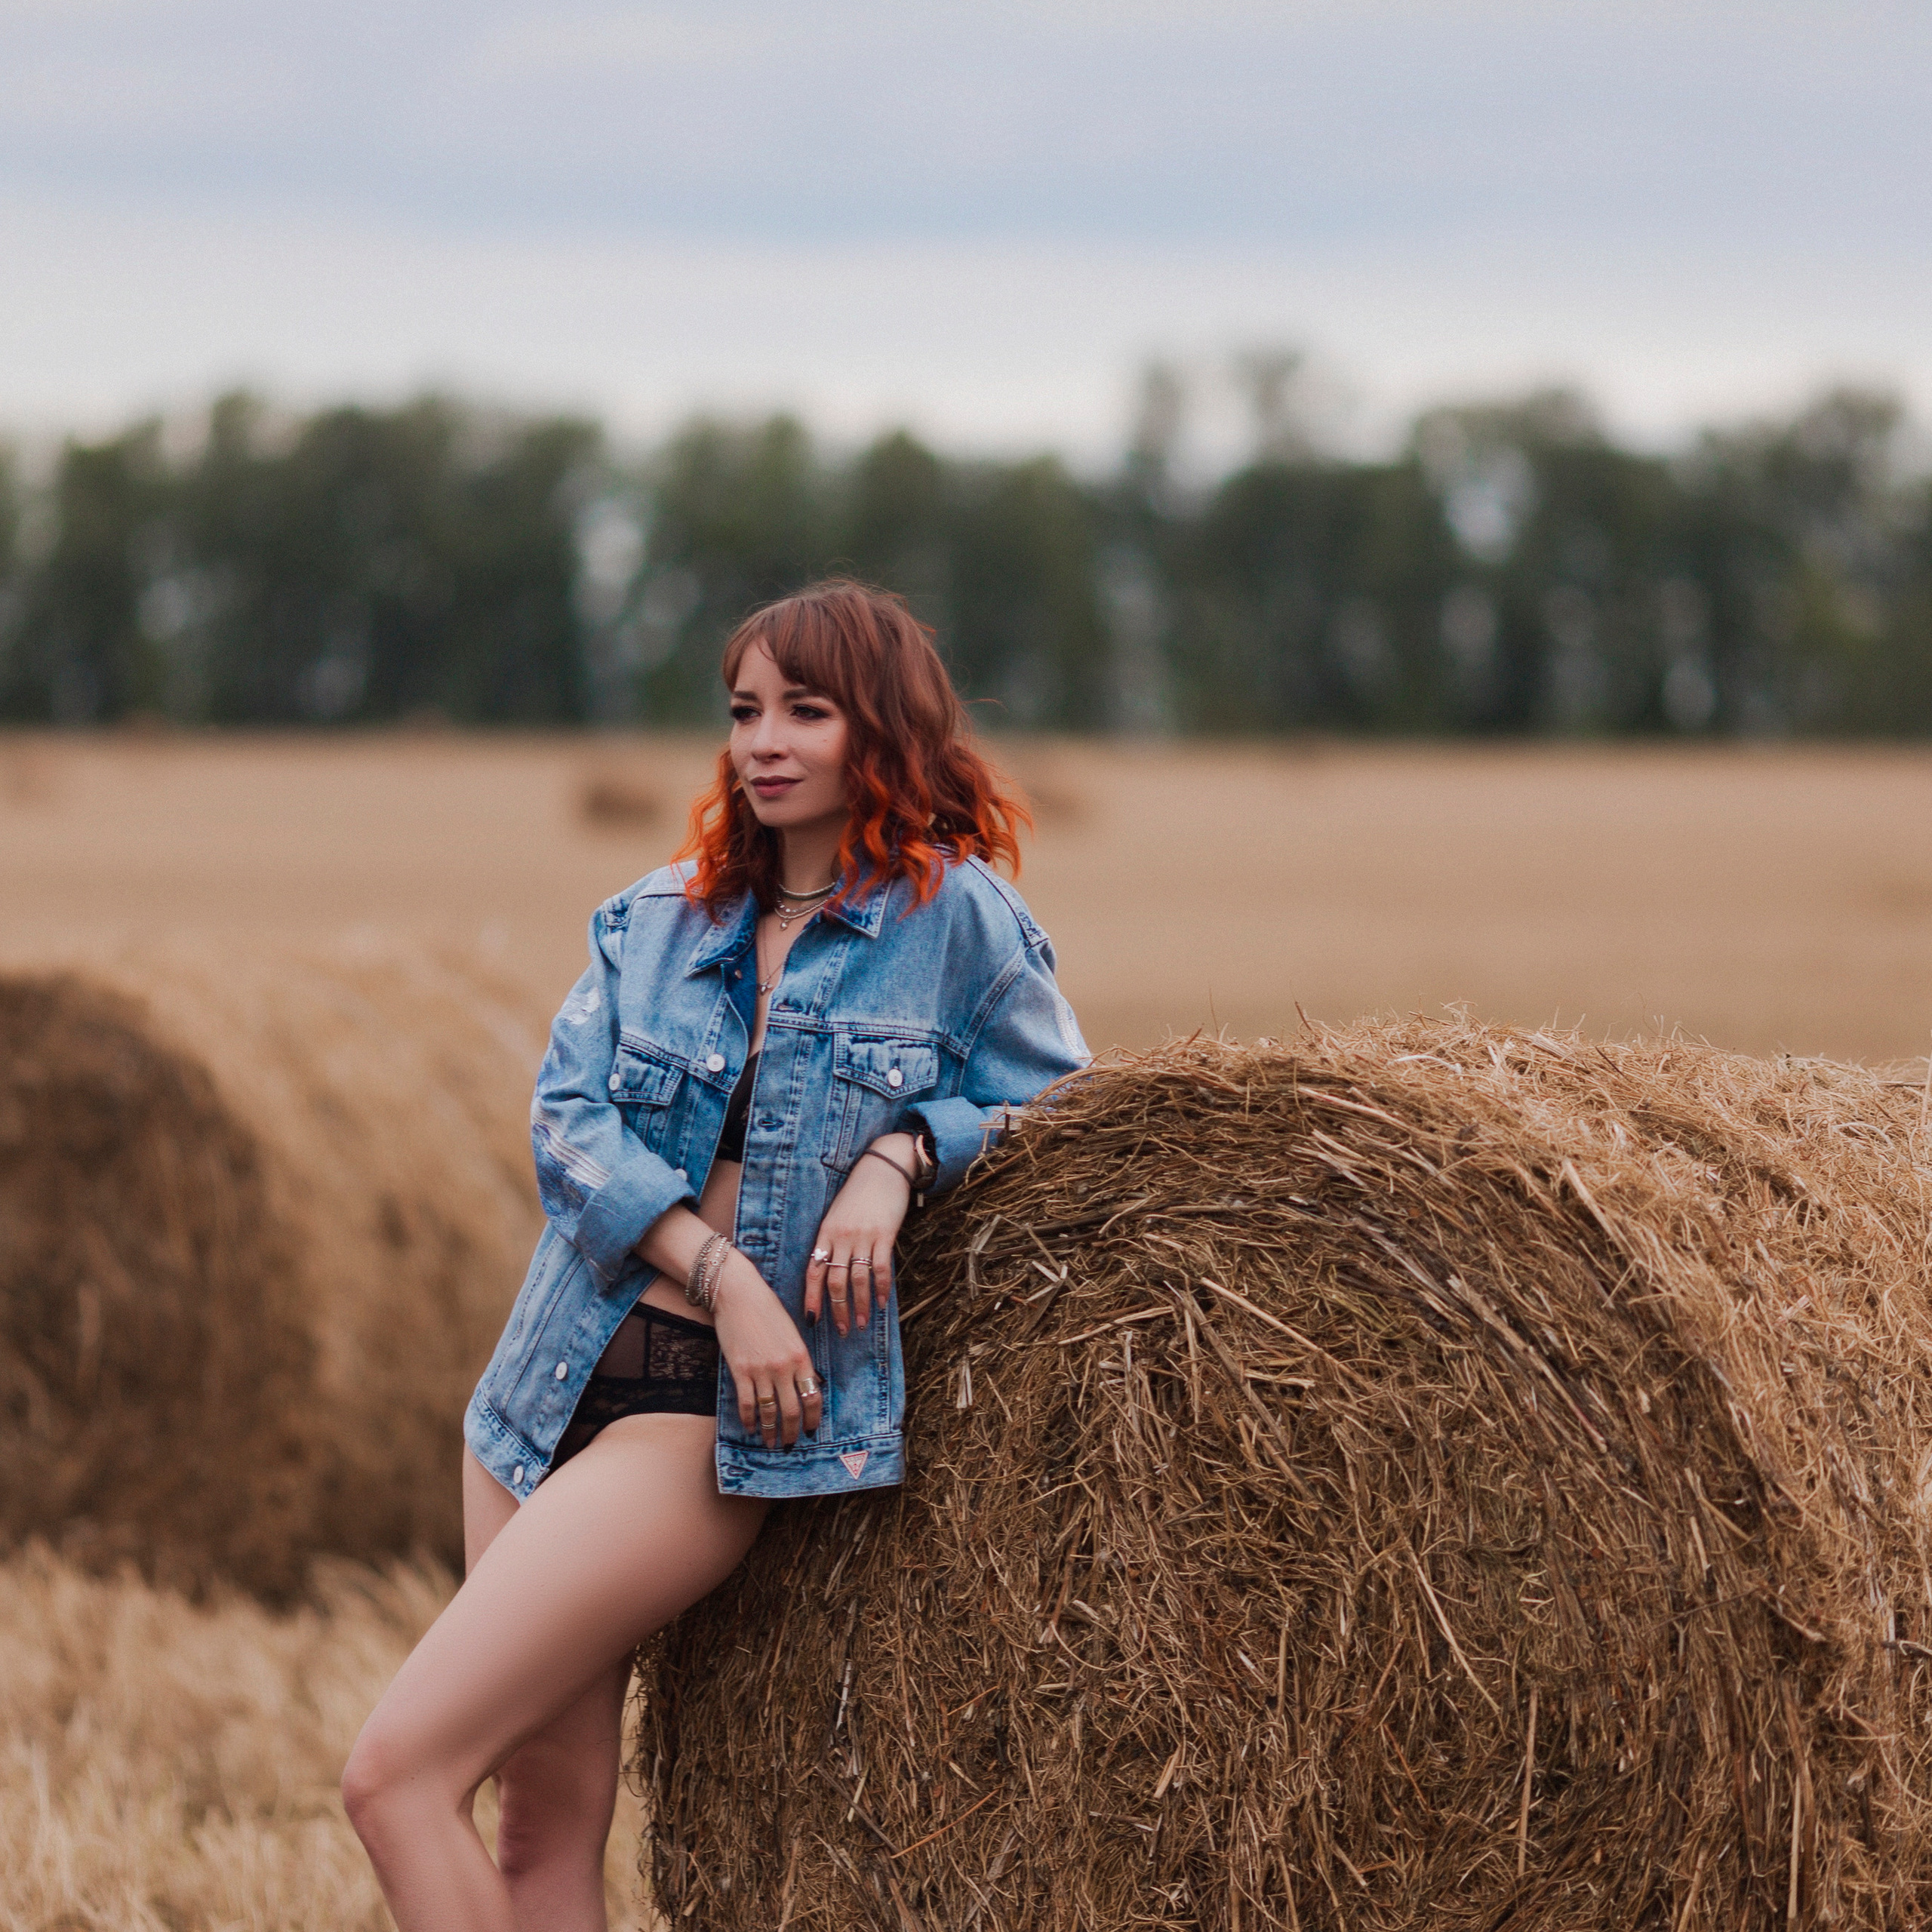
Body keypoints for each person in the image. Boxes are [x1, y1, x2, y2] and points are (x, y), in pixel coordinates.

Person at [342, 579, 1089, 1930]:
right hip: (538, 1390)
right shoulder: (658, 917)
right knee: (541, 1829)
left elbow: (1062, 1108)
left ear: (884, 728)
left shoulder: (957, 926)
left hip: (699, 1418)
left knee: (392, 1779)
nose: (765, 741)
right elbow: (566, 1127)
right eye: (746, 712)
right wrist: (728, 1275)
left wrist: (901, 1157)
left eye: (807, 711)